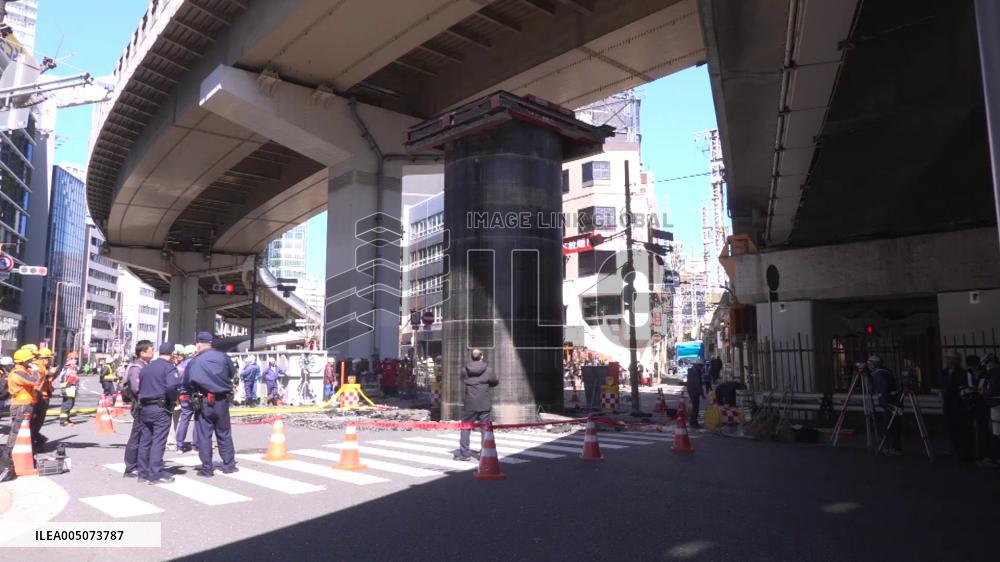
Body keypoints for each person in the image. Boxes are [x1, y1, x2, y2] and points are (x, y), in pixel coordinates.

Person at [186, 332, 238, 477]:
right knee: (224, 433)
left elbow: (186, 382)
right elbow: (232, 373)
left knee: (204, 435)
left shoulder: (195, 360)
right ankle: (229, 465)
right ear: (211, 343)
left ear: (198, 344)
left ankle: (207, 468)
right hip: (222, 399)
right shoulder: (223, 356)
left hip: (203, 401)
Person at [137, 342, 181, 485]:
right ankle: (155, 474)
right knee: (159, 441)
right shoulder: (169, 368)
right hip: (161, 407)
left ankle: (143, 473)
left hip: (145, 407)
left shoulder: (146, 367)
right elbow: (172, 387)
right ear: (172, 354)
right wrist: (174, 400)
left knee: (145, 441)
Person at [454, 349, 498, 462]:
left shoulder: (465, 370)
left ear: (472, 357)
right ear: (481, 357)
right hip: (484, 404)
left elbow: (463, 380)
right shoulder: (488, 370)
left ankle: (464, 454)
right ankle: (485, 452)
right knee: (485, 429)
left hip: (469, 404)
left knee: (465, 428)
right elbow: (495, 382)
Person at [122, 340, 155, 479]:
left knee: (143, 435)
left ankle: (140, 463)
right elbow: (136, 388)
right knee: (136, 435)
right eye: (151, 350)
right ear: (142, 353)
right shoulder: (137, 367)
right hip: (139, 405)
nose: (153, 352)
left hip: (144, 404)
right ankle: (130, 466)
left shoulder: (145, 365)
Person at [4, 349, 39, 476]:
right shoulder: (18, 373)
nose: (31, 362)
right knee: (16, 432)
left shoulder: (22, 371)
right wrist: (36, 370)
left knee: (20, 432)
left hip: (24, 404)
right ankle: (8, 457)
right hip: (21, 406)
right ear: (23, 361)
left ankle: (14, 456)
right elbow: (34, 380)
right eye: (29, 360)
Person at [938, 353, 973, 461]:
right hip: (948, 404)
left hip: (958, 405)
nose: (948, 361)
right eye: (947, 359)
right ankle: (954, 448)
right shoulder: (943, 372)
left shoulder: (962, 373)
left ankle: (962, 452)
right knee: (950, 427)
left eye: (950, 359)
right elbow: (941, 384)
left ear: (956, 361)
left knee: (961, 429)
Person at [869, 355, 900, 455]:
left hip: (889, 404)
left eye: (870, 364)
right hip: (892, 402)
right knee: (892, 425)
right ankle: (894, 447)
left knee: (890, 425)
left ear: (874, 364)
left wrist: (884, 404)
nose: (869, 367)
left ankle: (893, 448)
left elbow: (883, 391)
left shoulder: (880, 374)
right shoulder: (885, 372)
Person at [30, 347, 57, 449]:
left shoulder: (42, 366)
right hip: (38, 397)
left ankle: (36, 440)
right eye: (49, 359)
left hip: (42, 396)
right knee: (36, 422)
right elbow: (37, 381)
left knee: (35, 423)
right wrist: (48, 374)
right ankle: (33, 442)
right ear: (44, 359)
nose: (50, 361)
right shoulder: (39, 366)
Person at [174, 344, 199, 453]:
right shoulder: (195, 364)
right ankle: (195, 445)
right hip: (195, 394)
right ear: (193, 353)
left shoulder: (179, 366)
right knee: (198, 419)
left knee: (184, 420)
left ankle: (179, 445)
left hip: (183, 395)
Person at [982, 354, 1000, 466]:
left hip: (996, 405)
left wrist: (984, 393)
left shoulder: (996, 373)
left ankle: (996, 457)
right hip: (996, 404)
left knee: (997, 432)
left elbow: (991, 390)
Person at [58, 352, 81, 426]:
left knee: (71, 404)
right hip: (67, 388)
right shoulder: (67, 367)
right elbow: (62, 378)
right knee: (67, 405)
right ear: (69, 359)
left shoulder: (73, 367)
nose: (75, 360)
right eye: (73, 359)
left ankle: (67, 419)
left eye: (76, 359)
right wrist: (67, 383)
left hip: (72, 388)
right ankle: (63, 421)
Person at [686, 359, 706, 427]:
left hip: (690, 389)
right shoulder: (696, 372)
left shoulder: (691, 371)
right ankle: (694, 422)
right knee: (696, 407)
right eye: (701, 366)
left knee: (694, 406)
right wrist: (701, 393)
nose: (701, 367)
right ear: (697, 365)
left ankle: (692, 421)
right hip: (694, 391)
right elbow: (697, 383)